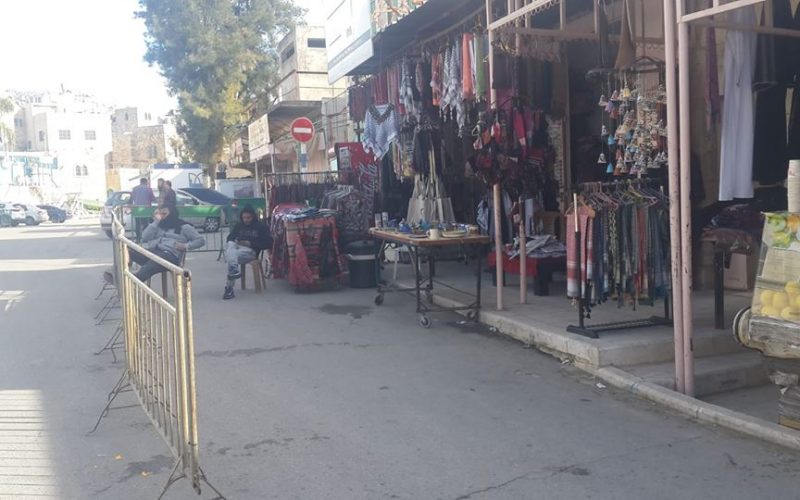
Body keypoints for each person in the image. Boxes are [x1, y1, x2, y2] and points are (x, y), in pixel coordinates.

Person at [131, 204, 205, 283]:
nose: (162, 217)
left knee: (149, 266)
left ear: (172, 214)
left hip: (170, 256)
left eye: (164, 214)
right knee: (128, 251)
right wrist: (156, 222)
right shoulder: (158, 225)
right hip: (155, 251)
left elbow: (200, 240)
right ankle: (124, 279)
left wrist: (186, 246)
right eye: (160, 214)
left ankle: (133, 281)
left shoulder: (184, 227)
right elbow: (144, 237)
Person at [223, 205, 271, 299]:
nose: (246, 220)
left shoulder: (260, 227)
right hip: (237, 248)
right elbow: (230, 237)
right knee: (230, 244)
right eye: (244, 217)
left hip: (251, 251)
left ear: (253, 217)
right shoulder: (239, 225)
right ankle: (234, 271)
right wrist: (237, 240)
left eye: (248, 218)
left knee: (231, 257)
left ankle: (229, 288)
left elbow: (267, 243)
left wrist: (249, 243)